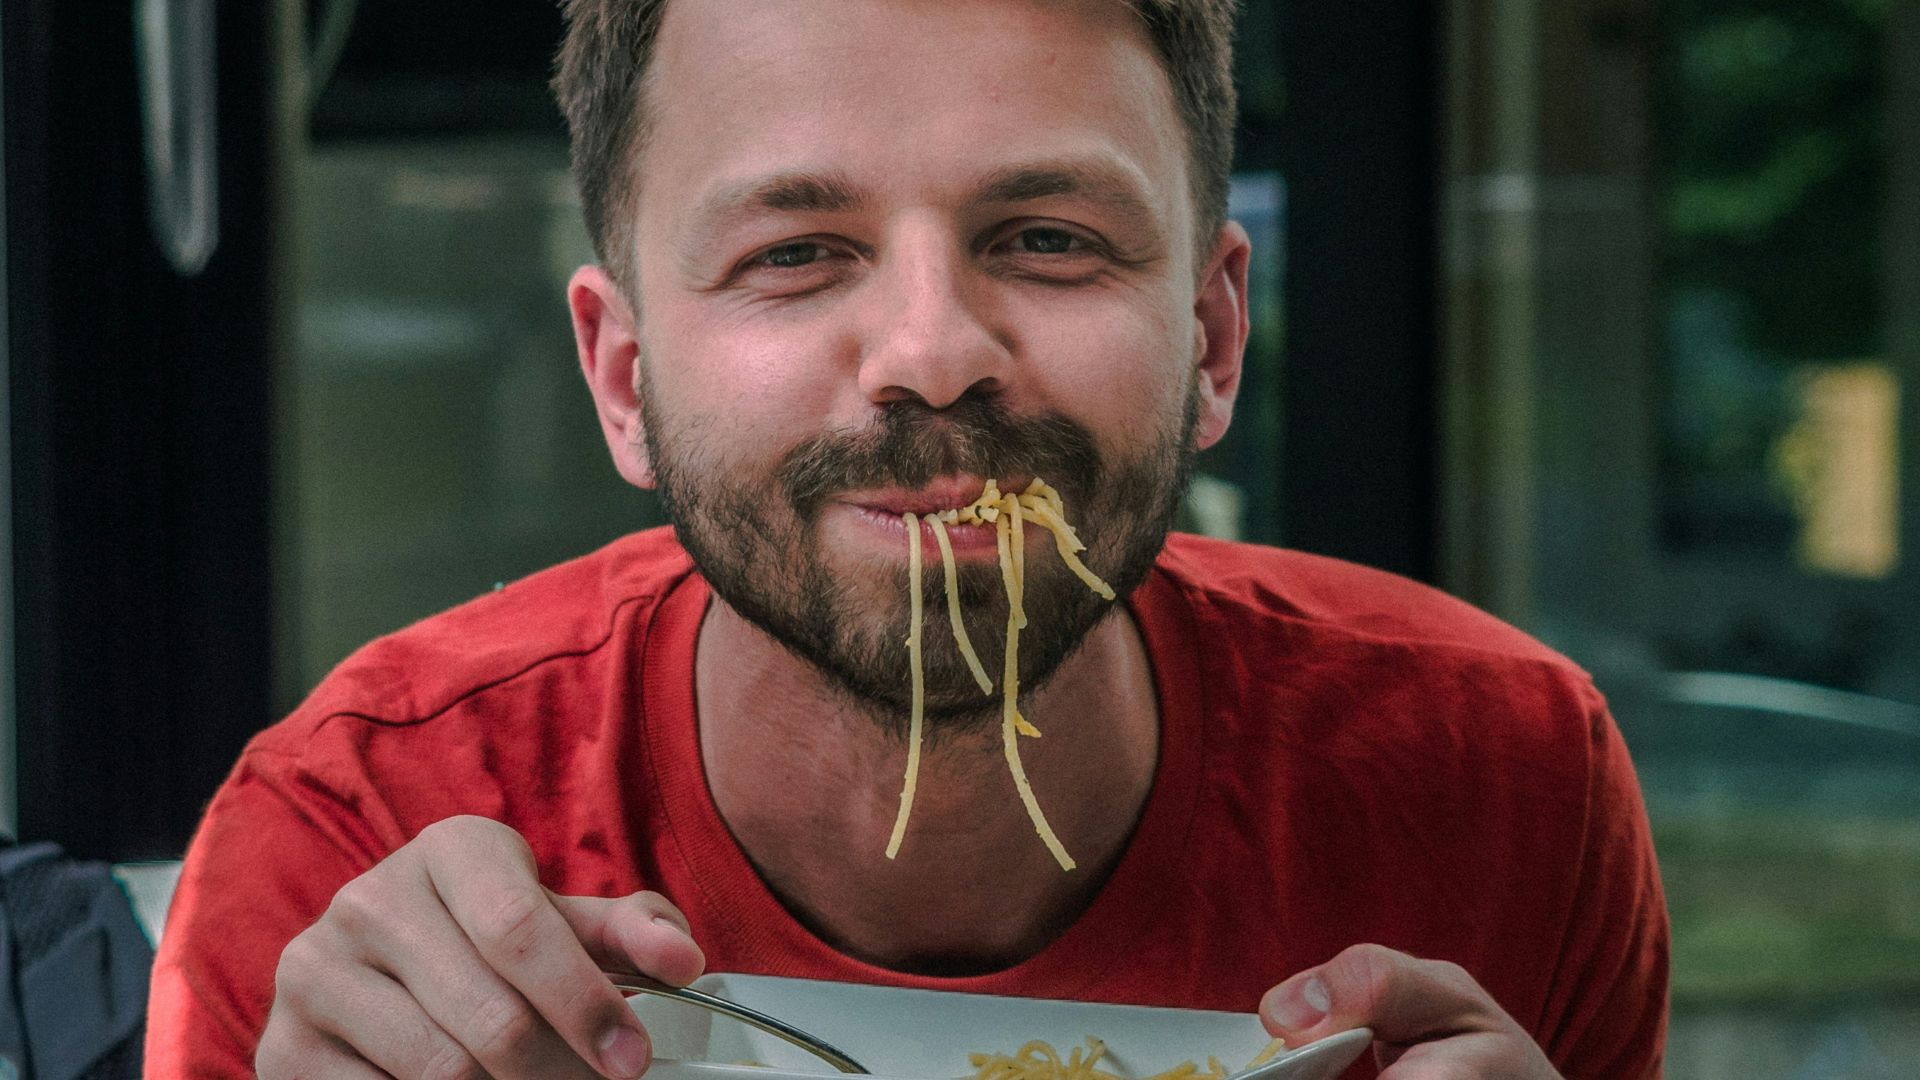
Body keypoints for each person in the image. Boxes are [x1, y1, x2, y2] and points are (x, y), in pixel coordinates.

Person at [145, 0, 1669, 1076]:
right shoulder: (350, 848)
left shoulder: (1504, 787)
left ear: (1211, 336)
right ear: (623, 380)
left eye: (1049, 238)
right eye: (798, 254)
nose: (933, 353)